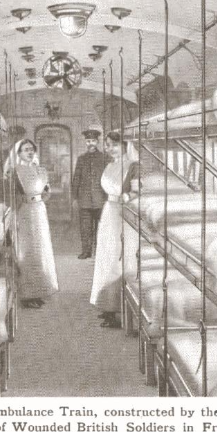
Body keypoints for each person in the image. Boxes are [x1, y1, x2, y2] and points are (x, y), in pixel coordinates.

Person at [89, 131, 140, 328]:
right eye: (108, 145)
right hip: (109, 212)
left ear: (125, 145)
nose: (109, 148)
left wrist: (125, 198)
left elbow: (136, 192)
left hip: (123, 214)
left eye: (114, 145)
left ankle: (123, 308)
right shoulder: (110, 166)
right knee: (107, 258)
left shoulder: (134, 167)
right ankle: (108, 307)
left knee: (121, 259)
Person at [7, 139, 59, 308]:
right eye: (25, 150)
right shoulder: (15, 172)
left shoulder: (41, 171)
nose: (29, 152)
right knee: (27, 251)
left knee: (40, 251)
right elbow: (12, 195)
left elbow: (47, 192)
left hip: (39, 212)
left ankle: (39, 291)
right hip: (24, 212)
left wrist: (41, 199)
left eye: (31, 150)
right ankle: (28, 295)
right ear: (19, 153)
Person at [71, 127, 109, 259]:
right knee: (85, 228)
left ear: (97, 142)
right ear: (85, 143)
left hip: (101, 199)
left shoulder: (105, 158)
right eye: (88, 141)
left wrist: (107, 197)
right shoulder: (81, 159)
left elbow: (109, 179)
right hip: (85, 200)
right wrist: (74, 197)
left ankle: (100, 252)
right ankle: (86, 251)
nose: (90, 143)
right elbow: (76, 178)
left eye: (93, 140)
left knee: (101, 228)